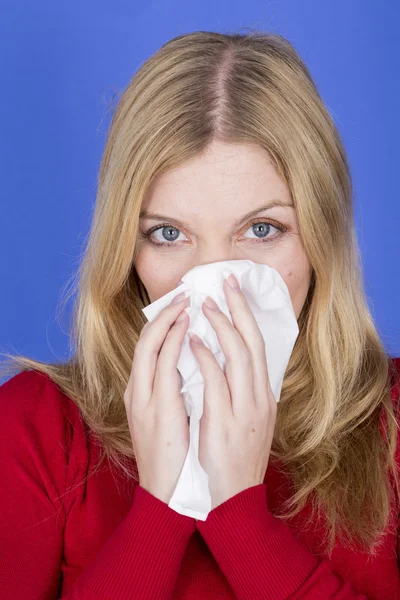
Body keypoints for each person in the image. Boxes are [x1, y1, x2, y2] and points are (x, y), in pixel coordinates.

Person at [0, 29, 399, 600]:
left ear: (321, 239)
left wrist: (239, 517)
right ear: (125, 251)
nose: (213, 286)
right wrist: (160, 511)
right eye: (168, 234)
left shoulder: (392, 430)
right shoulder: (32, 431)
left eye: (262, 230)